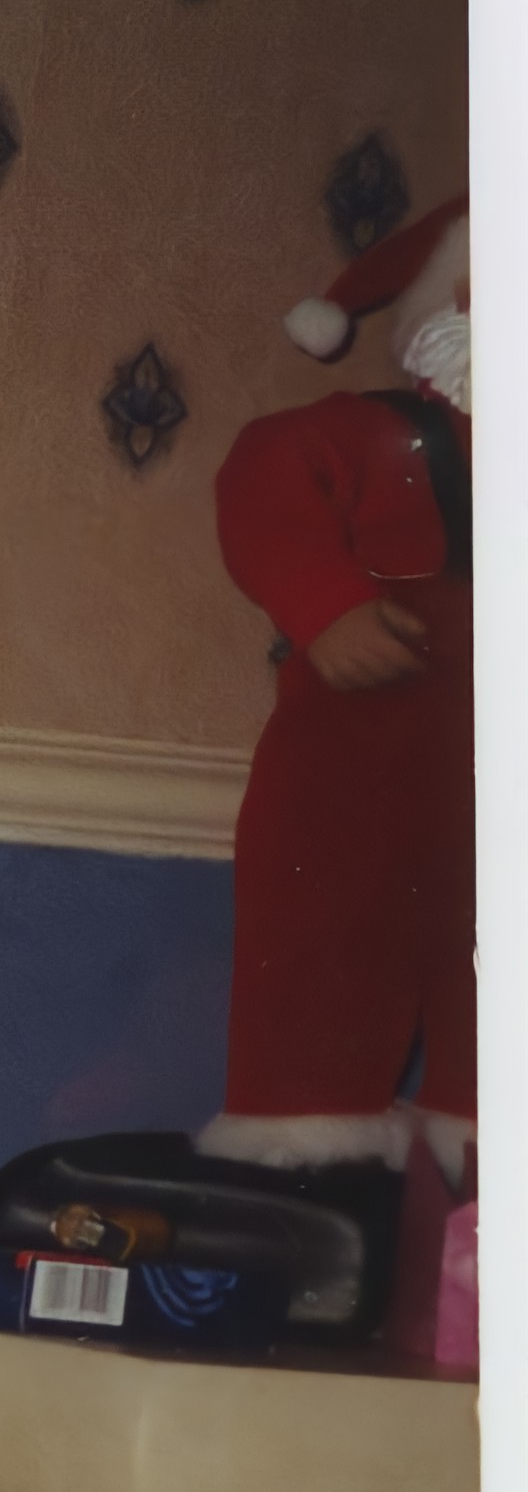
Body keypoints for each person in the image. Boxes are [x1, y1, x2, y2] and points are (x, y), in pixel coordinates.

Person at [207, 195, 474, 1184]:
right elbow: (265, 474)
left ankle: (481, 1143)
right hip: (366, 749)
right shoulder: (386, 435)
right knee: (327, 933)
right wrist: (326, 606)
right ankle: (301, 1157)